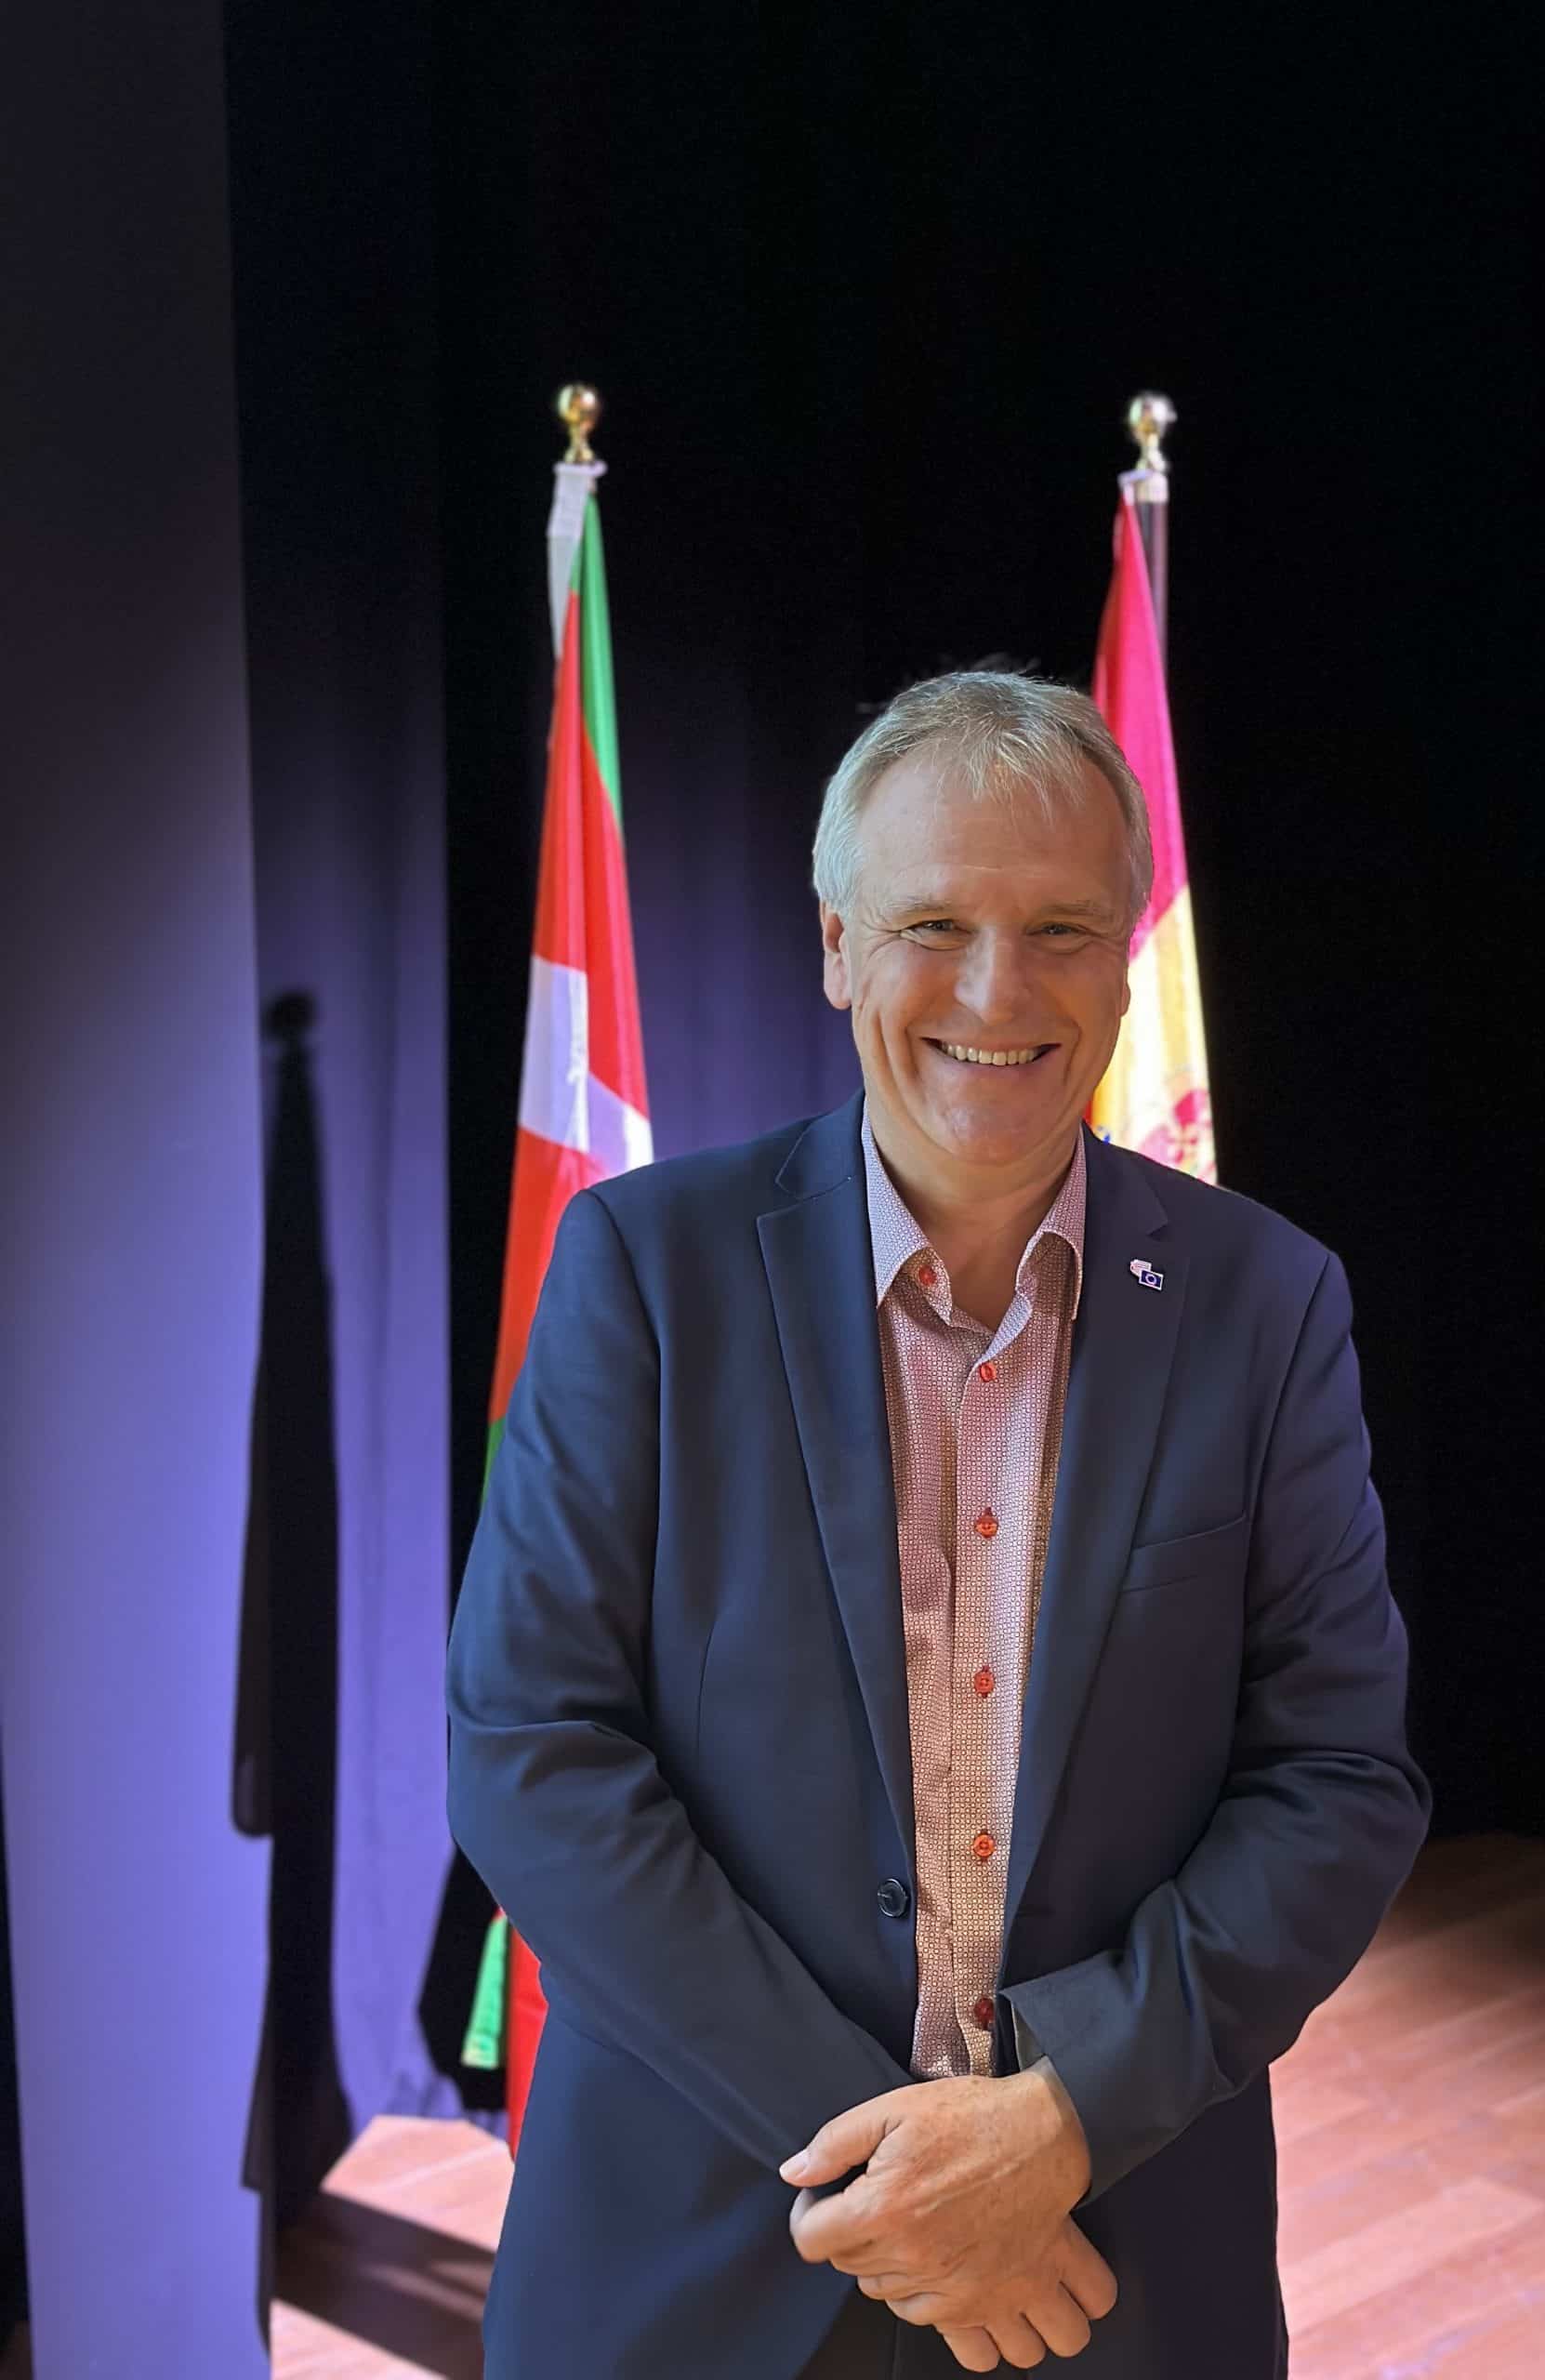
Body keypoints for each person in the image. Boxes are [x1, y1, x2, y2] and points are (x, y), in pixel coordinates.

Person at [446, 670, 1432, 2378]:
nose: (999, 989)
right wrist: (897, 2165)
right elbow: (534, 1748)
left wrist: (1055, 2125)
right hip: (701, 2249)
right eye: (932, 924)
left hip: (1114, 2261)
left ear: (1127, 953)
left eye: (1060, 926)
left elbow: (1338, 1780)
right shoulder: (641, 1272)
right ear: (836, 946)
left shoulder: (1268, 1304)